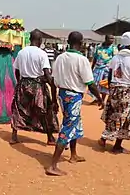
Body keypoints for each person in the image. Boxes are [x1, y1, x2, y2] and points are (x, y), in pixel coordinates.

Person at [46, 31, 103, 176]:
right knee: (67, 128)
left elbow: (53, 82)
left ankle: (73, 155)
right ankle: (52, 165)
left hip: (63, 95)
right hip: (74, 96)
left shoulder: (60, 58)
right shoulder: (81, 59)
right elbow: (90, 83)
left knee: (74, 124)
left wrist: (54, 100)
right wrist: (100, 98)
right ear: (81, 43)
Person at [10, 30, 59, 145]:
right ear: (40, 40)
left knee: (19, 109)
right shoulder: (42, 54)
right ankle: (50, 137)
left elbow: (16, 70)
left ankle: (14, 136)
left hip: (23, 83)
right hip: (38, 85)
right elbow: (47, 73)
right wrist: (50, 83)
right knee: (44, 110)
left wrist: (19, 82)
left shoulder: (21, 52)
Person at [99, 32, 130, 154]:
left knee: (114, 115)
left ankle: (104, 138)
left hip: (114, 90)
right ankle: (116, 146)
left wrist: (111, 89)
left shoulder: (116, 57)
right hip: (127, 92)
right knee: (125, 118)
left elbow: (109, 76)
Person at [89, 35, 117, 104]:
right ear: (106, 39)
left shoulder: (114, 48)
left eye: (113, 38)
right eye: (111, 38)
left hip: (107, 69)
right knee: (95, 84)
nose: (112, 40)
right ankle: (97, 98)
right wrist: (91, 68)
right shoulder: (99, 48)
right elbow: (95, 58)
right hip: (98, 68)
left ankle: (102, 100)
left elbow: (115, 59)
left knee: (104, 85)